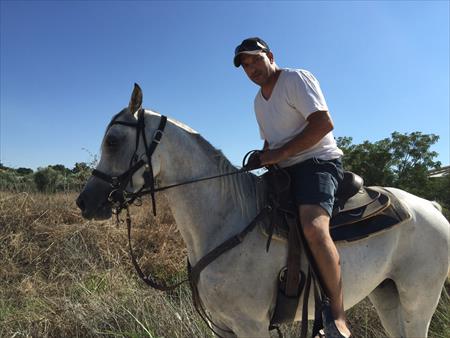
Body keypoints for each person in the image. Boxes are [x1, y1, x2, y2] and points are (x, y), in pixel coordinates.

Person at [234, 37, 351, 338]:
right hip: (284, 170)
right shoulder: (258, 101)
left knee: (313, 226)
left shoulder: (296, 79)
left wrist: (279, 155)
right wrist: (263, 156)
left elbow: (323, 123)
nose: (251, 69)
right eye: (245, 65)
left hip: (318, 163)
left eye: (255, 60)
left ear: (270, 56)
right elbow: (271, 142)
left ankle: (337, 316)